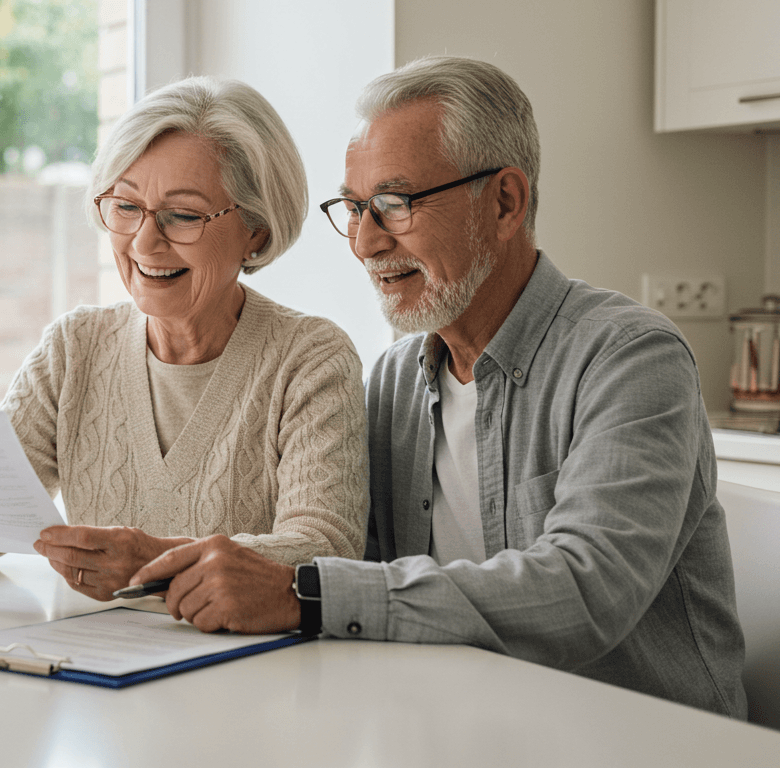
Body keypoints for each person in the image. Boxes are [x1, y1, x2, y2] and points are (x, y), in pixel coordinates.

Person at [130, 56, 748, 717]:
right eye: (356, 207)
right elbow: (351, 560)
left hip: (644, 741)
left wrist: (303, 595)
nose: (365, 242)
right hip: (465, 728)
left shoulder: (629, 359)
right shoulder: (396, 379)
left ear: (505, 201)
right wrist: (164, 563)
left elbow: (584, 591)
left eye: (395, 205)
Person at [0, 76, 369, 598]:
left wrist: (155, 563)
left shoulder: (311, 358)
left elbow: (325, 554)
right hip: (92, 666)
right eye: (126, 206)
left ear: (256, 229)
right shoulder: (75, 347)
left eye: (182, 215)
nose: (144, 242)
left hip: (254, 673)